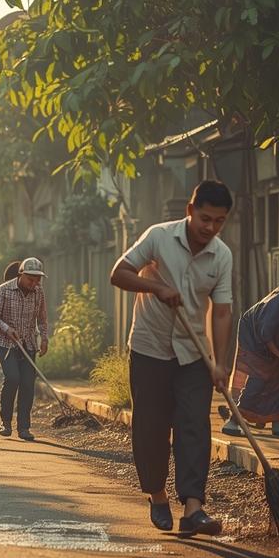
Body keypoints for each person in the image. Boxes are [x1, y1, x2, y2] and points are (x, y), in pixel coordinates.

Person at [108, 180, 235, 536]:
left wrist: (220, 362)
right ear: (190, 211)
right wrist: (157, 287)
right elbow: (119, 273)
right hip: (150, 348)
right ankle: (158, 495)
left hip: (193, 353)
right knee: (151, 427)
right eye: (205, 218)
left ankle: (194, 508)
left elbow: (221, 312)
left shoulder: (221, 256)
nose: (210, 228)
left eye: (219, 222)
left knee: (194, 425)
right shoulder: (159, 237)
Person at [222, 276, 279, 438]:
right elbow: (266, 336)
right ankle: (234, 420)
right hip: (253, 337)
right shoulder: (276, 306)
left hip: (270, 338)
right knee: (260, 377)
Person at [0, 257, 50, 441]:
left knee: (27, 384)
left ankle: (24, 428)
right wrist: (7, 329)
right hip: (4, 344)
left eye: (37, 279)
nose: (34, 283)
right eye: (31, 279)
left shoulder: (38, 292)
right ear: (21, 275)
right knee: (13, 378)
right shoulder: (3, 290)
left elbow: (42, 319)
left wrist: (44, 338)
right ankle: (5, 422)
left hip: (28, 344)